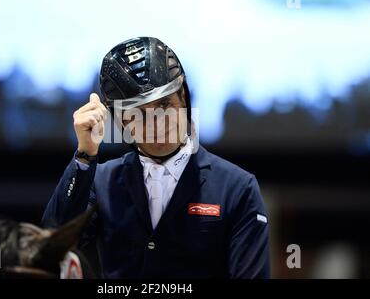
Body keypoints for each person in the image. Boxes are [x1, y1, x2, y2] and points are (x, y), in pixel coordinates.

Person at [42, 37, 270, 278]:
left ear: (183, 97)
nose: (156, 123)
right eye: (137, 113)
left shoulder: (237, 187)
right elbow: (51, 247)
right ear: (118, 119)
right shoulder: (101, 180)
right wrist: (85, 154)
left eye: (164, 104)